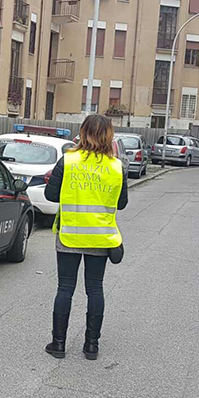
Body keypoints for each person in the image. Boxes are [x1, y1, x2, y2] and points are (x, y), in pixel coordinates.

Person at [43, 114, 128, 361]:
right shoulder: (116, 167)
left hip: (69, 235)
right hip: (101, 238)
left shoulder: (67, 161)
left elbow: (50, 195)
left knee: (65, 288)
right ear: (109, 136)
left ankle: (58, 344)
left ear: (82, 132)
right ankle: (91, 346)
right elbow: (121, 204)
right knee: (95, 289)